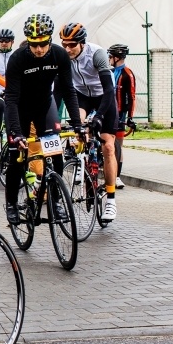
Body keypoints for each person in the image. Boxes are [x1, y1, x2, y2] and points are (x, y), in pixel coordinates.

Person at [4, 14, 82, 225]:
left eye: (43, 44)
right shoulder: (18, 59)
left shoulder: (59, 55)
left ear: (50, 40)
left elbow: (69, 91)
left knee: (56, 155)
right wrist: (16, 132)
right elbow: (11, 98)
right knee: (17, 158)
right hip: (20, 109)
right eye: (33, 45)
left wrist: (77, 125)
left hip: (44, 107)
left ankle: (55, 201)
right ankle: (11, 204)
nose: (38, 49)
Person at [59, 22, 119, 221]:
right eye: (64, 45)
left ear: (82, 43)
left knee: (108, 146)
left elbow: (109, 89)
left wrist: (100, 116)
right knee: (79, 126)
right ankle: (81, 163)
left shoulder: (97, 54)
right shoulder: (63, 57)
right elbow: (59, 90)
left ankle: (111, 200)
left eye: (72, 45)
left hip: (104, 96)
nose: (68, 49)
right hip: (82, 96)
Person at [107, 43, 136, 188]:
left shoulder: (127, 74)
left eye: (110, 56)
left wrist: (130, 118)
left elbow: (132, 96)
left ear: (117, 57)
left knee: (118, 146)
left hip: (120, 114)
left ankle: (117, 177)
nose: (108, 59)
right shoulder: (109, 72)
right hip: (107, 112)